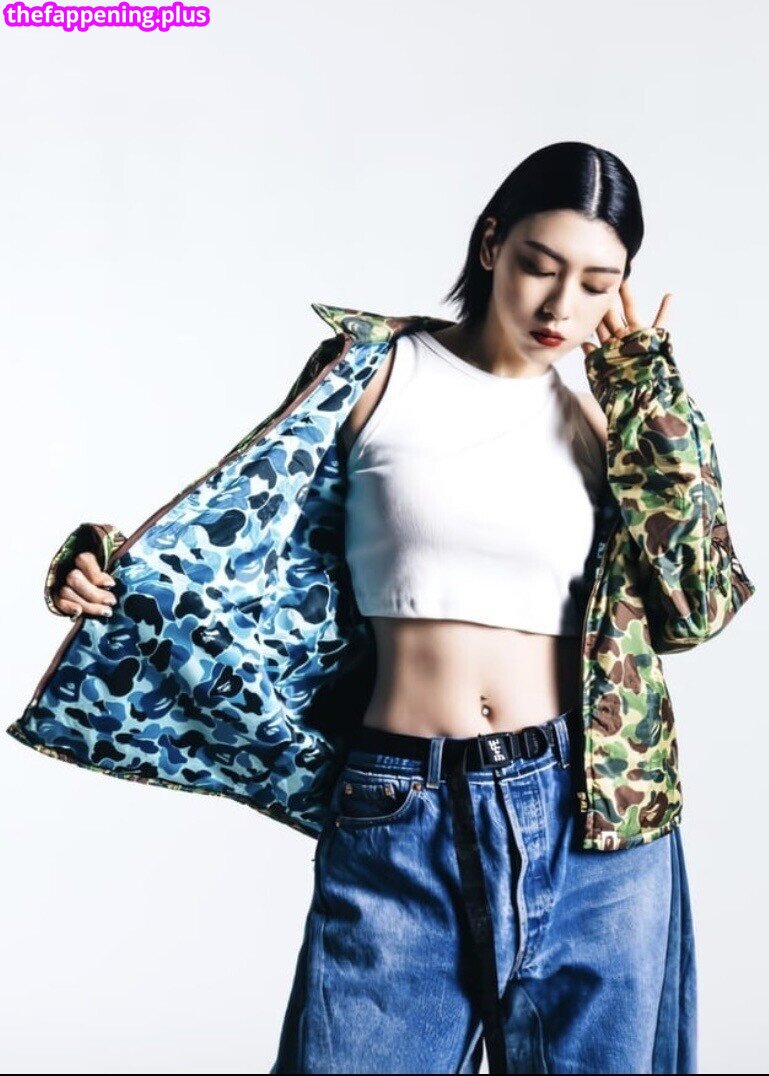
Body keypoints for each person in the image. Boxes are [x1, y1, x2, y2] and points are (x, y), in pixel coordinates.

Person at [9, 141, 755, 1074]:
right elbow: (237, 536)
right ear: (491, 244)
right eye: (539, 266)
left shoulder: (614, 417)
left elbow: (696, 605)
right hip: (401, 804)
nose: (562, 307)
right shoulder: (375, 374)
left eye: (597, 283)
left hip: (595, 816)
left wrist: (650, 395)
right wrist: (101, 568)